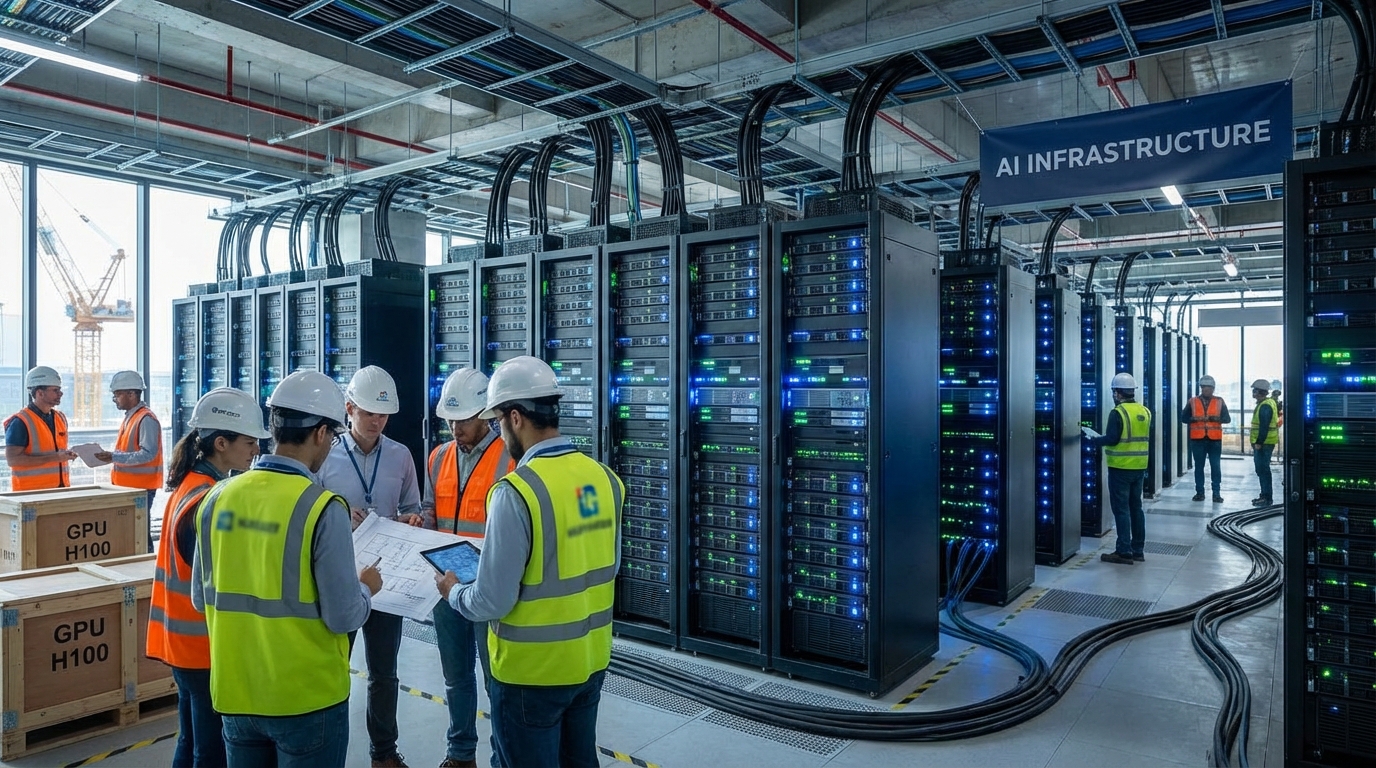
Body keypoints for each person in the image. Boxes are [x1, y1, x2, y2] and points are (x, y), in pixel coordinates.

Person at [433, 356, 623, 768]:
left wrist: (454, 594)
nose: (499, 433)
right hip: (589, 663)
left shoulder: (518, 491)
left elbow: (492, 600)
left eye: (498, 420)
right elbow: (608, 568)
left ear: (515, 417)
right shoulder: (605, 479)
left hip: (531, 674)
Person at [191, 370, 382, 768]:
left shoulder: (217, 499)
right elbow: (344, 615)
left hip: (236, 694)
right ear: (320, 434)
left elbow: (199, 598)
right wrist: (366, 588)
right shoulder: (321, 508)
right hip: (305, 700)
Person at [148, 387, 269, 768]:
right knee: (210, 752)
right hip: (202, 646)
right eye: (249, 442)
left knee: (191, 741)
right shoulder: (209, 499)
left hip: (179, 642)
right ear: (221, 443)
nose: (255, 451)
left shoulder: (189, 486)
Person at [315, 365, 420, 768]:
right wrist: (340, 513)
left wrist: (413, 520)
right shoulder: (326, 456)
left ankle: (384, 753)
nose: (377, 421)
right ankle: (329, 751)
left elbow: (414, 508)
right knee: (334, 668)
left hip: (386, 580)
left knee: (384, 674)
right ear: (349, 409)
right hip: (339, 576)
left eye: (383, 415)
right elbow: (308, 513)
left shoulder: (400, 455)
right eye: (368, 413)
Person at [422, 368, 513, 768]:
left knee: (496, 681)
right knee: (456, 678)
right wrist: (419, 522)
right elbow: (431, 509)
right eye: (450, 420)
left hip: (488, 587)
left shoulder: (511, 458)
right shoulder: (438, 456)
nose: (455, 427)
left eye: (463, 419)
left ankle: (501, 754)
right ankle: (460, 753)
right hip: (446, 584)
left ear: (487, 415)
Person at [1083, 372, 1152, 565]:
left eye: (1114, 392)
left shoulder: (1118, 413)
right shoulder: (1145, 411)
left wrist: (1094, 439)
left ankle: (1124, 551)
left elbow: (1112, 439)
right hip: (1139, 467)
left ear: (1117, 393)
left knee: (1121, 510)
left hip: (1120, 468)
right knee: (1136, 508)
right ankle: (1138, 549)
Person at [97, 371, 164, 552]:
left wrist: (114, 456)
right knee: (133, 533)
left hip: (141, 487)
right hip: (130, 487)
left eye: (118, 394)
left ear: (132, 394)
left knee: (140, 534)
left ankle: (147, 571)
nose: (115, 399)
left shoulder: (146, 419)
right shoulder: (132, 417)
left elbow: (148, 454)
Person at [3, 365, 76, 490]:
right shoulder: (20, 422)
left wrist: (67, 454)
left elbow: (54, 449)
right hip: (30, 493)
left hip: (60, 489)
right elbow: (13, 460)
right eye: (55, 390)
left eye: (59, 389)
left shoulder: (60, 418)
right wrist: (55, 457)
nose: (60, 393)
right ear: (40, 393)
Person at [1180, 374, 1230, 504]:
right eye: (1204, 387)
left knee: (1216, 467)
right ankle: (1199, 493)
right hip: (1198, 440)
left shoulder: (1219, 401)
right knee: (1199, 467)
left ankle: (1216, 494)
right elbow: (1183, 418)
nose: (1206, 390)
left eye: (1209, 388)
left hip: (1214, 440)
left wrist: (1216, 419)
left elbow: (1227, 419)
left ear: (1213, 388)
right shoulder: (1192, 402)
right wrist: (1193, 419)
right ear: (1201, 388)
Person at [1249, 378, 1279, 507]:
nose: (1253, 393)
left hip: (1264, 443)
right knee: (1262, 470)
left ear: (1259, 392)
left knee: (1263, 470)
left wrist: (1259, 442)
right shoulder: (1268, 403)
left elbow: (1264, 426)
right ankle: (1265, 495)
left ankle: (1266, 497)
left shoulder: (1265, 405)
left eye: (1254, 391)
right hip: (1267, 442)